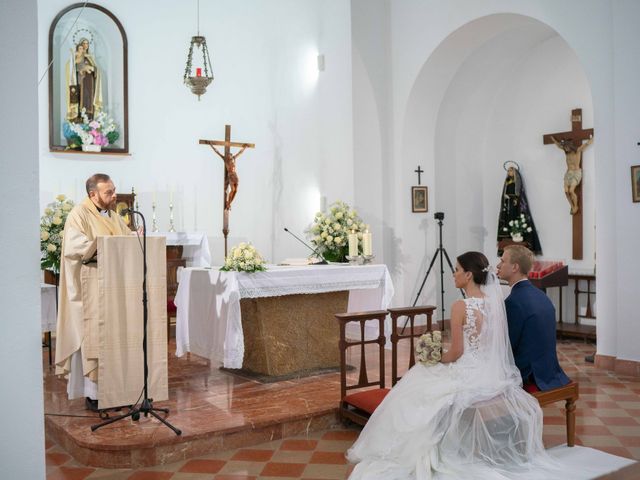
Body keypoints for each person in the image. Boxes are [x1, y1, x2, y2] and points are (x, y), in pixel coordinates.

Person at [347, 252, 554, 479]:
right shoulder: (496, 304)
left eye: (456, 269)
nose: (453, 274)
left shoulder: (460, 307)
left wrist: (433, 358)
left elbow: (456, 353)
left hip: (467, 370)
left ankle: (410, 446)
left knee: (417, 382)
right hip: (491, 372)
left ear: (468, 274)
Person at [54, 173, 132, 410]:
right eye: (108, 192)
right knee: (94, 338)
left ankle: (119, 389)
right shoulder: (79, 214)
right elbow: (74, 245)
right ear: (93, 194)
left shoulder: (116, 217)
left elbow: (125, 241)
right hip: (91, 288)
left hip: (114, 288)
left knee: (116, 337)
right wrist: (97, 245)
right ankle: (94, 394)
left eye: (114, 190)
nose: (114, 195)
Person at [497, 245, 570, 392]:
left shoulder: (513, 302)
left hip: (530, 374)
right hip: (550, 369)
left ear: (515, 267)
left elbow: (509, 346)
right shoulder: (541, 295)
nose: (498, 265)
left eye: (503, 261)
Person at [496, 164, 542, 255]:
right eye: (508, 171)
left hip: (515, 206)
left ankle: (518, 235)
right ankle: (510, 236)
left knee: (516, 218)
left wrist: (514, 199)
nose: (509, 172)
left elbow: (518, 194)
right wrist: (506, 198)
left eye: (511, 171)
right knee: (508, 220)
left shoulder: (517, 182)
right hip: (508, 206)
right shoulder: (507, 182)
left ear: (515, 172)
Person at [550, 135, 593, 215]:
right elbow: (559, 145)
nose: (565, 148)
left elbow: (586, 144)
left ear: (570, 146)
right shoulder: (566, 152)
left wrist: (594, 138)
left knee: (571, 191)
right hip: (568, 173)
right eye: (565, 147)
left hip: (576, 173)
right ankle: (572, 206)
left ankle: (575, 206)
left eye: (566, 147)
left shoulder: (577, 151)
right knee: (566, 191)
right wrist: (553, 140)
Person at [66, 37, 102, 122]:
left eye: (87, 43)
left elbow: (97, 70)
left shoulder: (90, 57)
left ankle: (90, 119)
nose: (86, 45)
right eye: (84, 44)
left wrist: (93, 69)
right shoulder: (76, 57)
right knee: (81, 99)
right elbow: (70, 67)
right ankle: (79, 118)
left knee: (89, 100)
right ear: (80, 46)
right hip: (80, 83)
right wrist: (81, 69)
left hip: (90, 84)